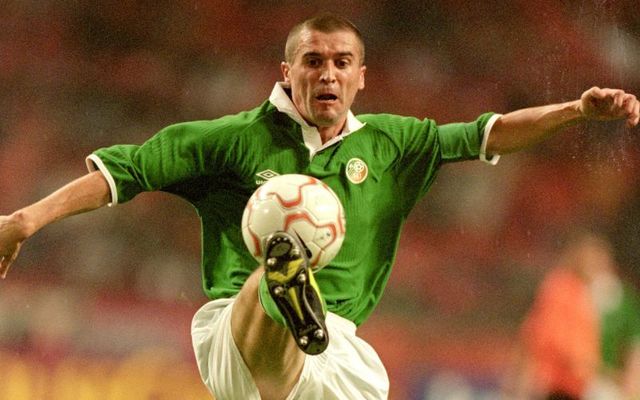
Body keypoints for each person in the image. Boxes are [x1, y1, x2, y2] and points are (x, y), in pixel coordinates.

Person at [0, 13, 638, 400]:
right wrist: (25, 221)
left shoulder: (394, 143)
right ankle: (283, 281)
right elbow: (123, 171)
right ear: (286, 71)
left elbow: (488, 133)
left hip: (342, 352)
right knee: (268, 287)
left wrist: (575, 110)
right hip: (234, 329)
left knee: (303, 365)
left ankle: (292, 294)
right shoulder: (229, 141)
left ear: (362, 75)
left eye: (341, 62)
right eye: (313, 61)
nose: (327, 74)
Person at [504, 232, 640, 400]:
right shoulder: (562, 290)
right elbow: (556, 344)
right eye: (593, 260)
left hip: (569, 382)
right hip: (560, 382)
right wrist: (608, 376)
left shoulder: (584, 292)